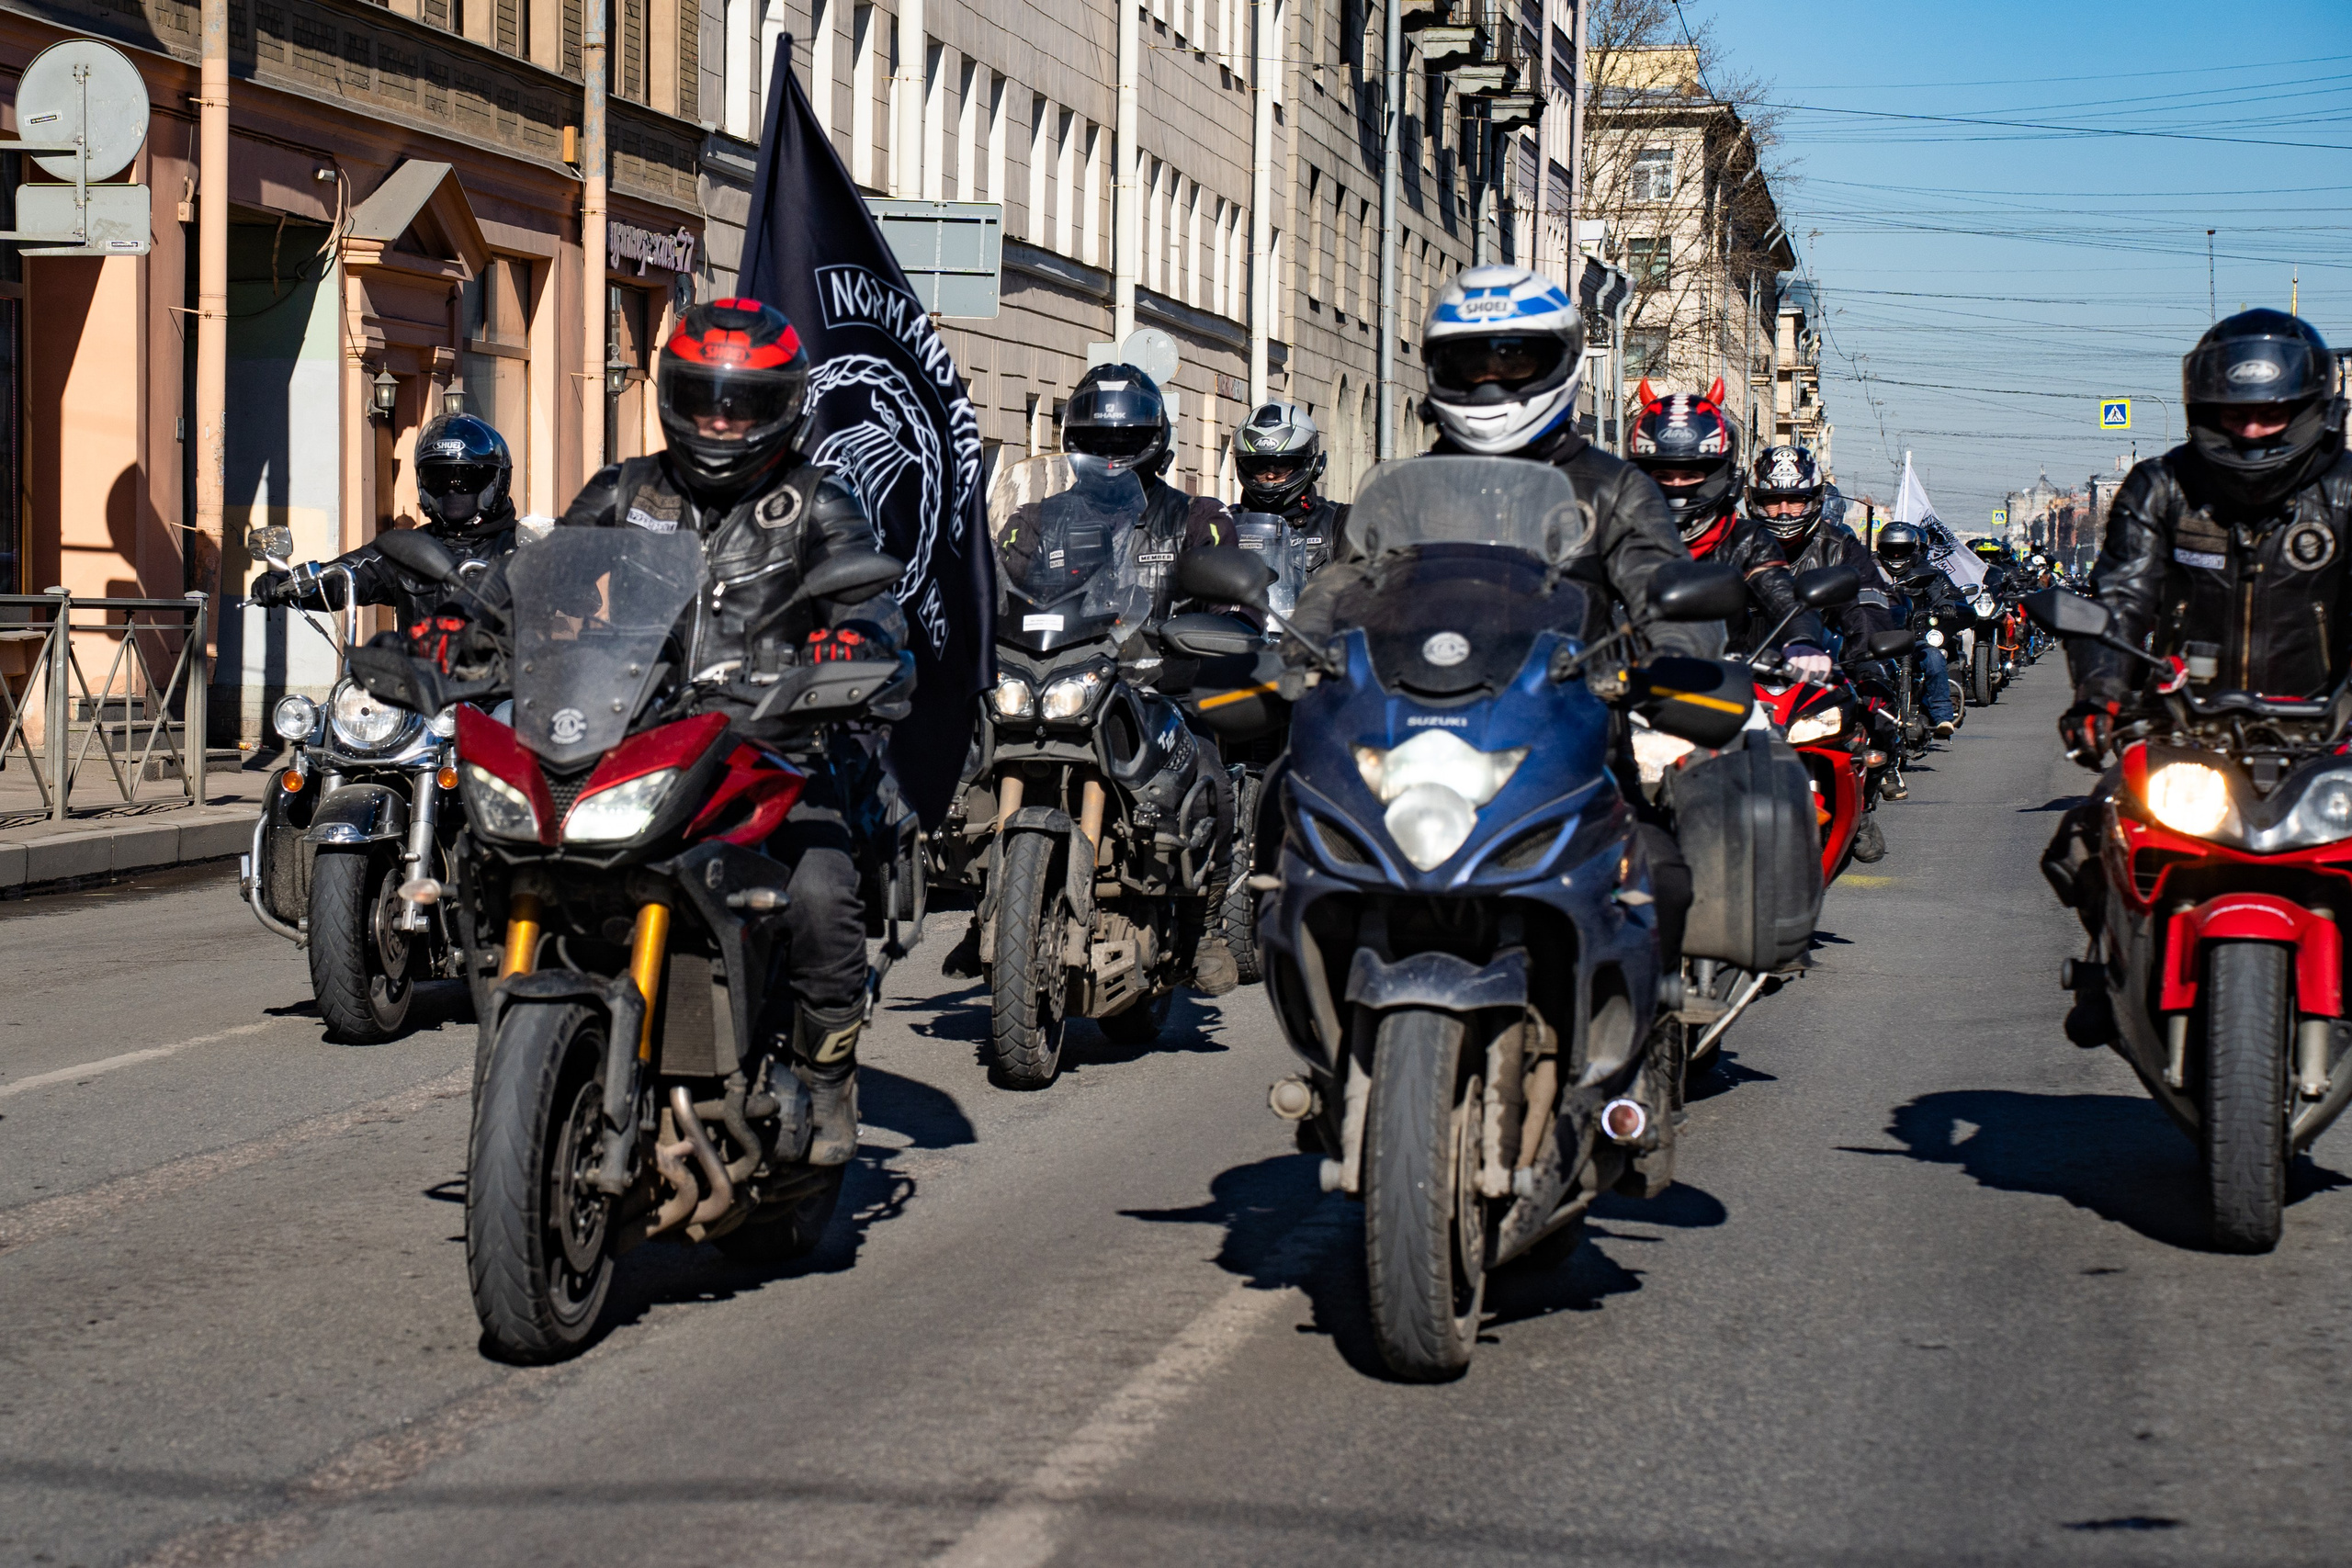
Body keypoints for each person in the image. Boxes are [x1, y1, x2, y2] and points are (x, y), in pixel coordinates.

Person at [553, 297, 910, 1167]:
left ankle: (827, 1072)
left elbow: (872, 607)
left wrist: (851, 645)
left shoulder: (818, 502)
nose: (719, 419)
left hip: (780, 747)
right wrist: (469, 619)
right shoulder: (626, 490)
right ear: (673, 395)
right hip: (638, 737)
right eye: (704, 397)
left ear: (780, 409)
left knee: (821, 893)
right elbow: (550, 574)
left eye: (741, 404)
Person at [1292, 265, 1724, 965]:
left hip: (1570, 743)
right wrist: (1293, 653)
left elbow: (1666, 591)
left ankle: (1636, 1069)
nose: (1491, 383)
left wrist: (1673, 659)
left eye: (1515, 359)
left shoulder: (1616, 490)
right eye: (1471, 362)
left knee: (1661, 882)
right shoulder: (1404, 491)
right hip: (1412, 735)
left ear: (1558, 361)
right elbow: (1342, 584)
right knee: (1295, 837)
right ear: (1439, 368)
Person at [2043, 310, 2350, 1043]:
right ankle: (2104, 963)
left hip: (2330, 725)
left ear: (2310, 410)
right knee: (2087, 837)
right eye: (2233, 414)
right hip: (2188, 721)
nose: (2251, 432)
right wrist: (2101, 697)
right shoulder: (2162, 489)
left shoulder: (2346, 491)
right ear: (2203, 411)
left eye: (2271, 414)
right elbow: (2120, 601)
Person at [986, 363, 1244, 995]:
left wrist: (1205, 630)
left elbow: (1232, 600)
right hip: (1056, 675)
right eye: (1096, 441)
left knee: (1210, 775)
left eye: (1122, 441)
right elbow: (995, 585)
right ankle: (983, 902)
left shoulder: (1194, 518)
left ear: (1152, 442)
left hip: (1158, 686)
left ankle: (1206, 925)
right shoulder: (1036, 520)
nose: (1109, 453)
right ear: (1074, 441)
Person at [254, 412, 520, 637]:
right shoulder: (411, 550)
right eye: (437, 479)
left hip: (498, 692)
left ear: (494, 483)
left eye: (465, 480)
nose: (451, 491)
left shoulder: (521, 546)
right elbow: (351, 573)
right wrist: (291, 583)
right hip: (423, 690)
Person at [1626, 391, 1825, 673]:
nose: (1677, 486)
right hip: (1624, 680)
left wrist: (1802, 640)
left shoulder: (1746, 540)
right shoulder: (1619, 531)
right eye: (1663, 476)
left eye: (1691, 475)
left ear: (1722, 477)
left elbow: (1783, 595)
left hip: (1720, 682)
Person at [1875, 520, 1962, 744]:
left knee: (1934, 658)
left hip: (1915, 638)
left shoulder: (1928, 573)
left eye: (1901, 550)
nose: (1895, 555)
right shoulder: (1870, 570)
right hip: (1879, 639)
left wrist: (1947, 606)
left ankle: (1942, 718)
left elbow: (1943, 592)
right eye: (1890, 550)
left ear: (1914, 550)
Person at [1232, 400, 1344, 571]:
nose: (1270, 474)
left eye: (1281, 465)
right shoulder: (1225, 523)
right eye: (1258, 465)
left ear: (1308, 463)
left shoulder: (1338, 525)